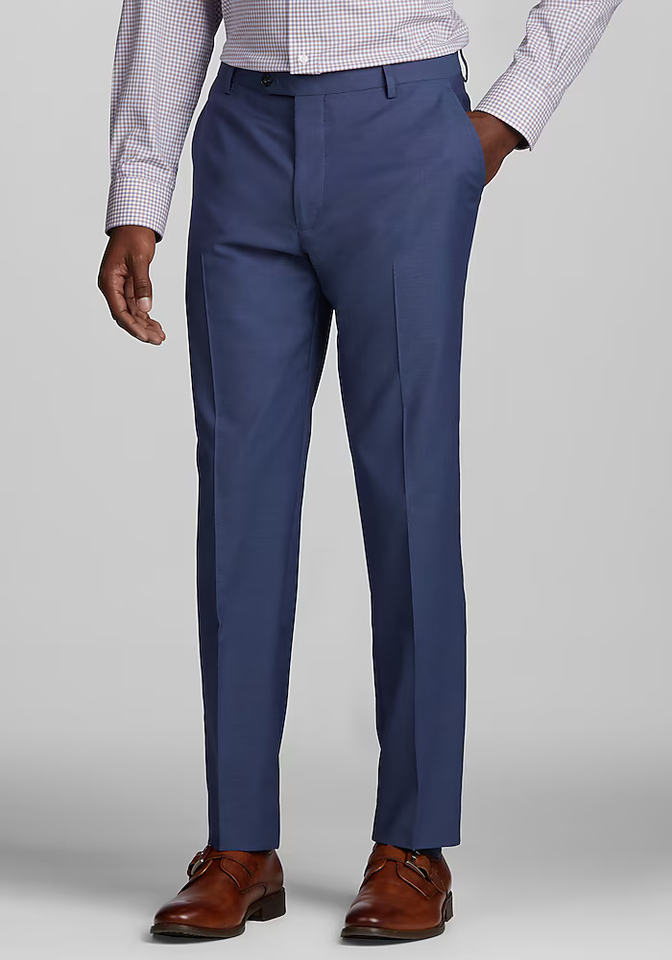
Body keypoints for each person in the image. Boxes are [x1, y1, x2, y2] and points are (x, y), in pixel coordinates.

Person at [98, 0, 623, 942]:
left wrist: (511, 113)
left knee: (411, 493)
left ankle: (415, 845)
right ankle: (240, 844)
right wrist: (139, 193)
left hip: (403, 127)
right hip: (246, 135)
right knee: (240, 506)